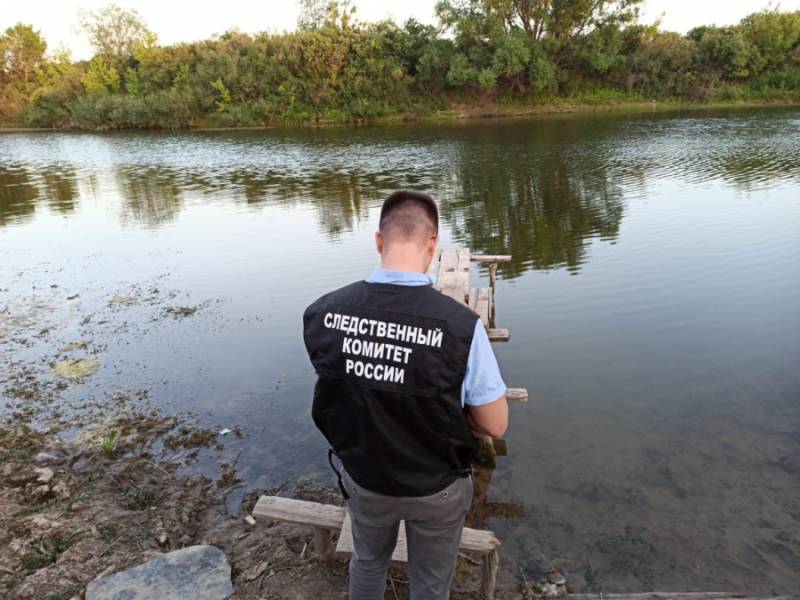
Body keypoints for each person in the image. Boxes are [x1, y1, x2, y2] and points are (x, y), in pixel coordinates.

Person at [303, 190, 508, 600]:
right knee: (431, 583)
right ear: (433, 246)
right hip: (436, 488)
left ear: (379, 241)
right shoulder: (461, 327)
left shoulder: (322, 313)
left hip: (365, 478)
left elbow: (341, 389)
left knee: (366, 562)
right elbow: (495, 424)